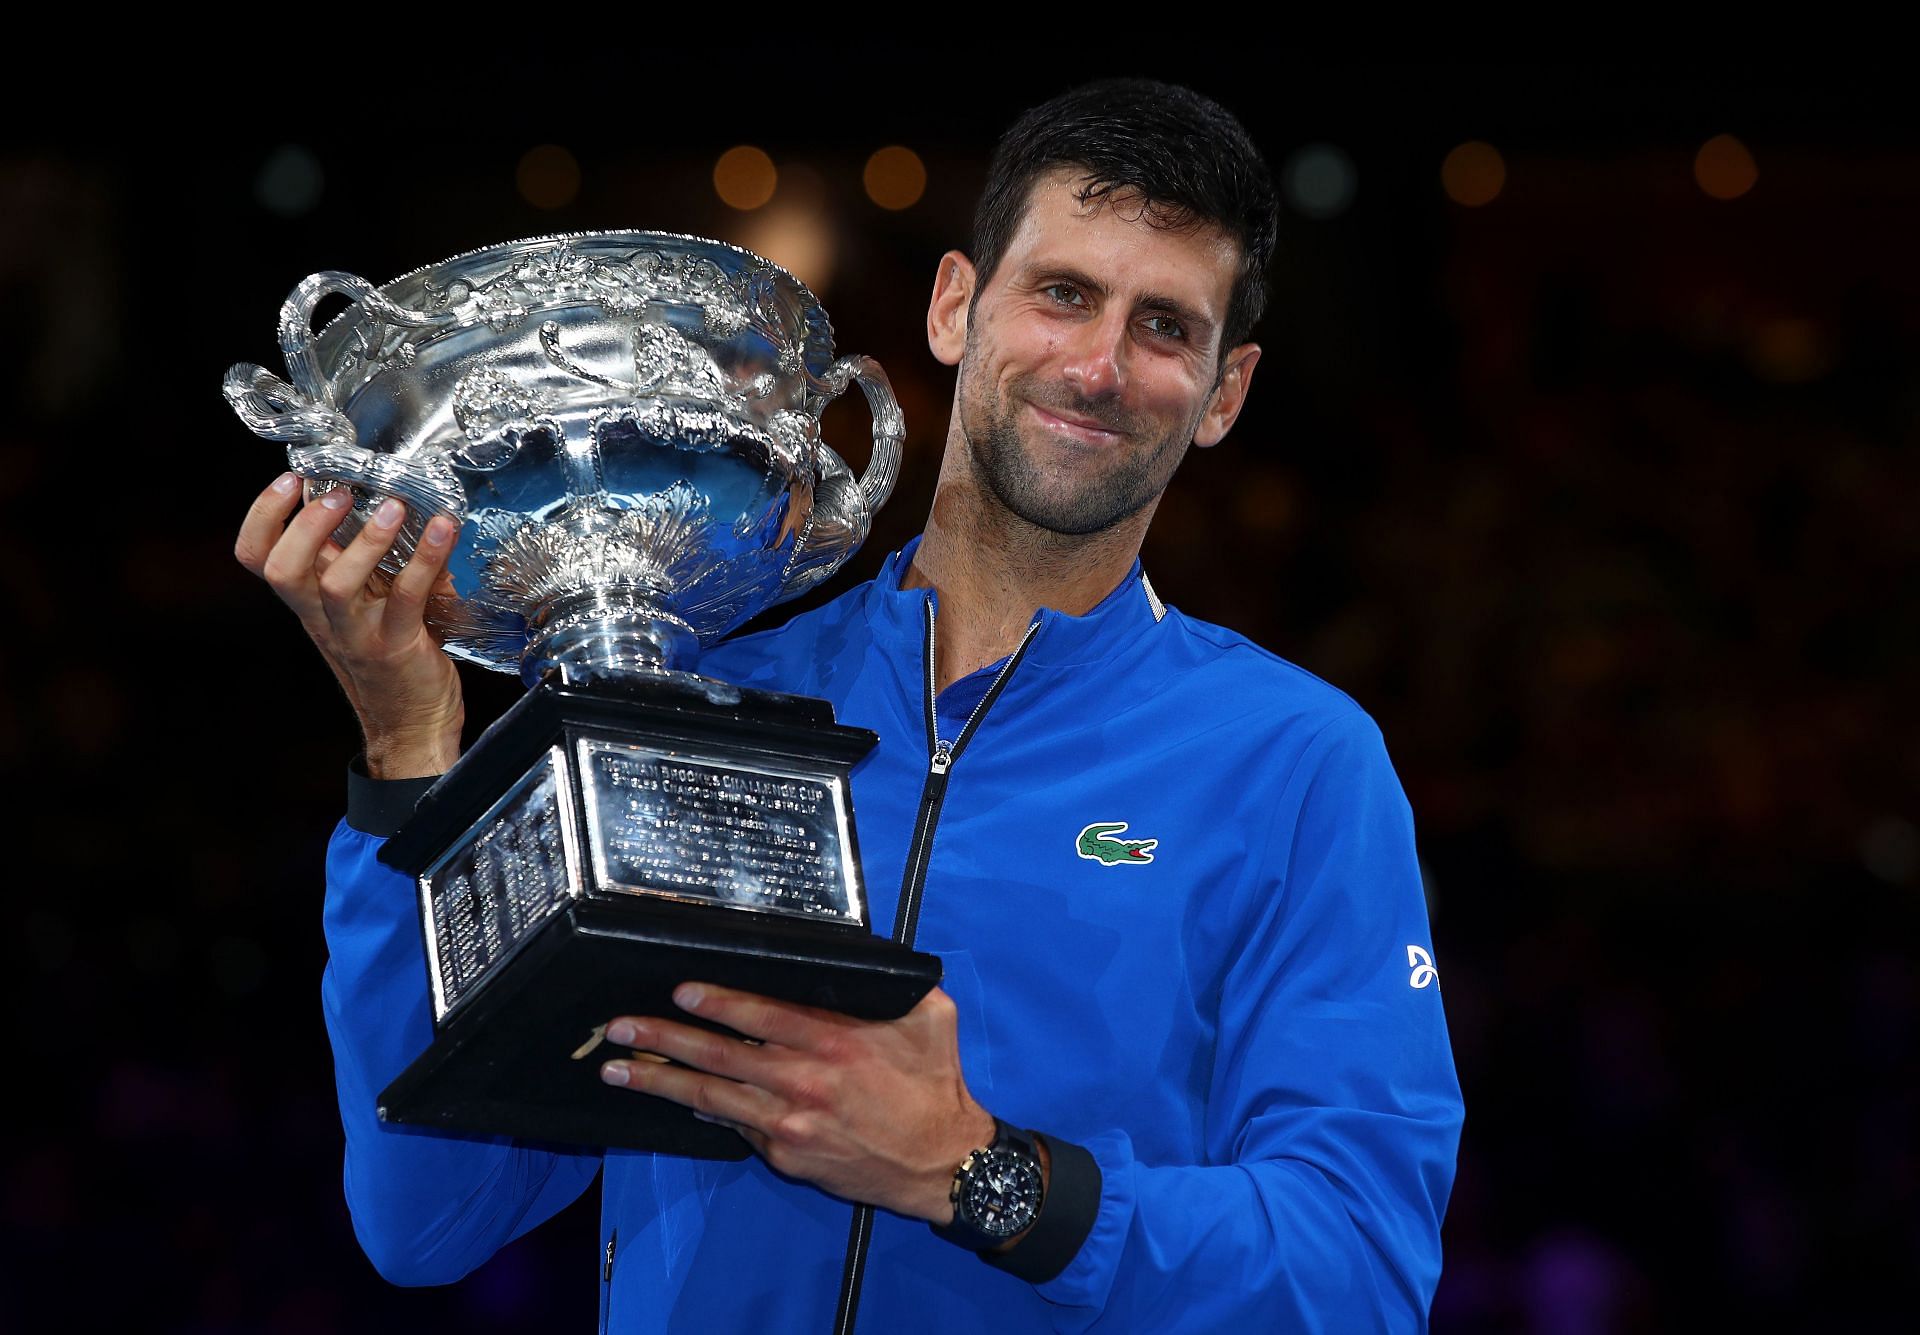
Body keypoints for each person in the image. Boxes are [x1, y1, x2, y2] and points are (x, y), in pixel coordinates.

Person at [236, 78, 1463, 1333]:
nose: (1099, 366)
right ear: (953, 307)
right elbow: (427, 1219)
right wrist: (407, 756)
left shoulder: (1297, 762)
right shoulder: (707, 706)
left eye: (1165, 328)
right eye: (1062, 293)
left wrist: (978, 1174)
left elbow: (1359, 1274)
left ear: (1224, 392)